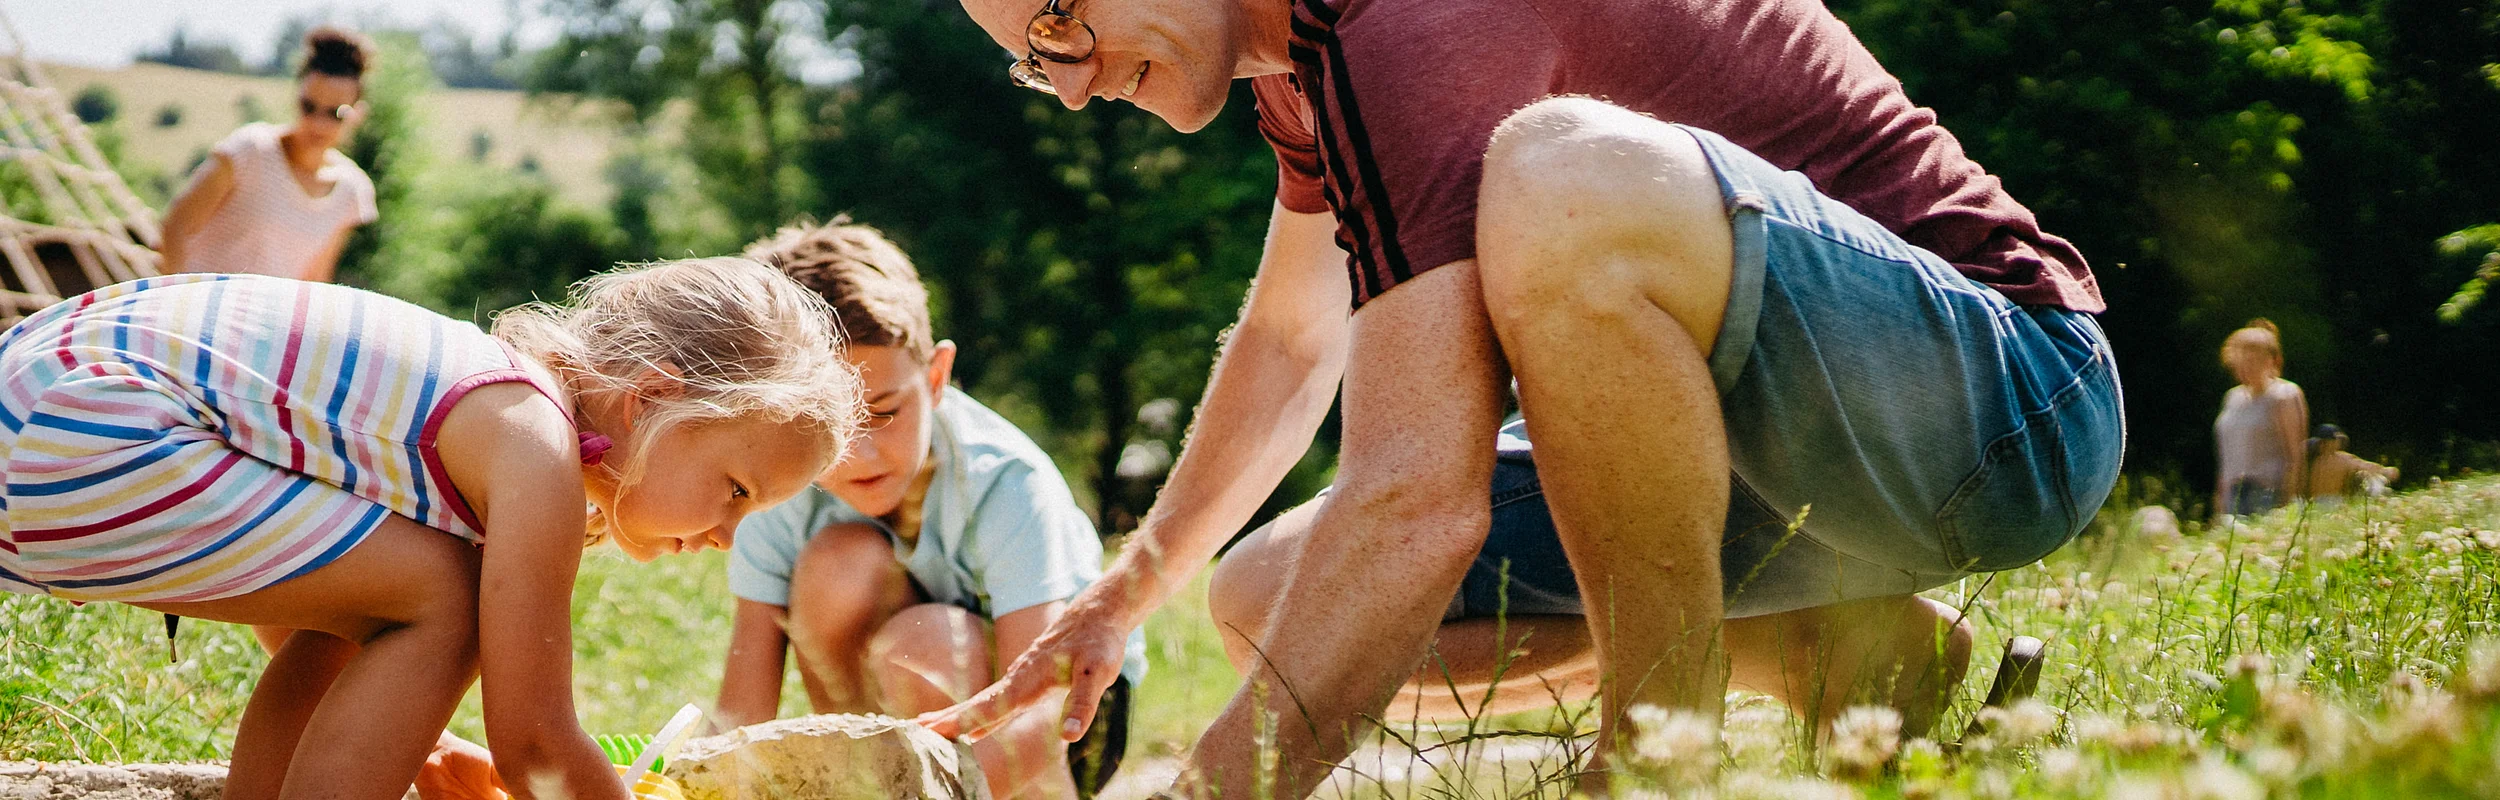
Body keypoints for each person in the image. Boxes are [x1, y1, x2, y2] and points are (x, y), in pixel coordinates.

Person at [920, 0, 2124, 796]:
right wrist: (1121, 596)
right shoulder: (1305, 73)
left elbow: (1414, 503)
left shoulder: (1404, 19)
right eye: (1033, 58)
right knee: (1264, 594)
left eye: (1061, 17)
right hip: (1772, 468)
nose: (1068, 84)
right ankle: (1848, 657)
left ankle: (1659, 756)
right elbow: (1293, 340)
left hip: (2003, 403)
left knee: (1560, 174)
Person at [0, 263, 860, 800]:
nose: (726, 536)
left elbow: (310, 601)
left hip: (36, 408)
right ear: (653, 398)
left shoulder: (485, 399)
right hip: (92, 428)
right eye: (735, 490)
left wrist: (417, 738)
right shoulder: (532, 443)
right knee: (448, 598)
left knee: (421, 593)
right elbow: (535, 746)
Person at [713, 221, 1146, 800]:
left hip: (1065, 719)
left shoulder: (1005, 480)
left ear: (935, 377)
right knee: (839, 565)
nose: (858, 451)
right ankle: (866, 784)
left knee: (925, 647)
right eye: (824, 423)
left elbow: (1042, 712)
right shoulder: (780, 482)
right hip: (921, 740)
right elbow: (743, 708)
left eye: (885, 411)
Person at [157, 25, 380, 282]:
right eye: (309, 107)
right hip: (197, 310)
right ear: (296, 97)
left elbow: (315, 279)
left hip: (264, 321)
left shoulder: (352, 191)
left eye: (335, 113)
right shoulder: (250, 150)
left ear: (358, 113)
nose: (318, 123)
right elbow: (175, 228)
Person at [2213, 319, 2308, 520]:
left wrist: (2288, 505)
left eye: (2252, 360)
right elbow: (2227, 458)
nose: (2246, 367)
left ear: (2271, 360)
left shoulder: (2284, 395)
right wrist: (2219, 503)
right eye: (2240, 361)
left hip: (2267, 494)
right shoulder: (2232, 398)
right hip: (2233, 495)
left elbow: (2295, 456)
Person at [2304, 424, 2398, 506]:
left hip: (2318, 504)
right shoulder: (2340, 459)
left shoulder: (2314, 459)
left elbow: (2362, 465)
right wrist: (2385, 470)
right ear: (2330, 442)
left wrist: (2383, 470)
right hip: (2328, 504)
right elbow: (2363, 465)